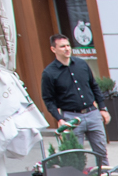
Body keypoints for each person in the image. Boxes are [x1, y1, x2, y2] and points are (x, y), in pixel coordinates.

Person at [39, 33, 110, 168]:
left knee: (101, 151)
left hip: (92, 113)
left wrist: (102, 108)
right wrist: (59, 118)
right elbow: (48, 99)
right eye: (62, 46)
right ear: (53, 49)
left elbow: (94, 86)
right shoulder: (49, 73)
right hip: (71, 117)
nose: (66, 49)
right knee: (75, 154)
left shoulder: (81, 64)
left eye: (68, 45)